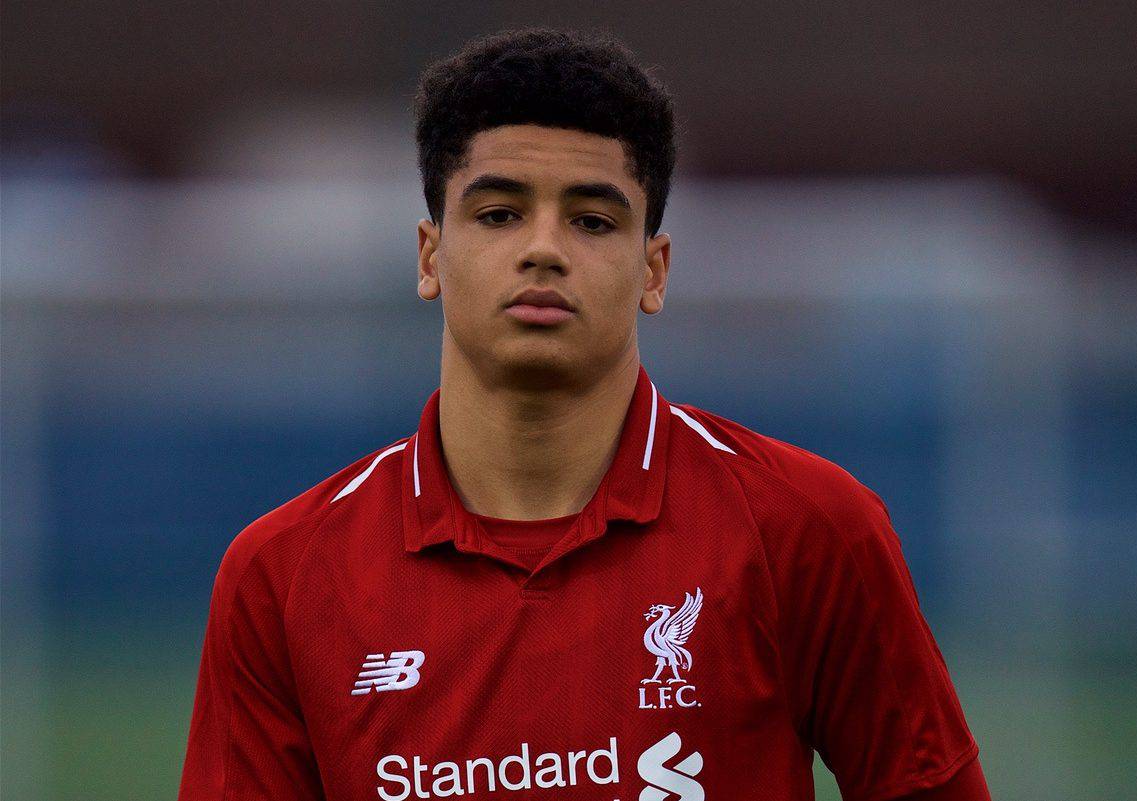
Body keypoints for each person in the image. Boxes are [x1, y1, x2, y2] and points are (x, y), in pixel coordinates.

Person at [178, 26, 991, 801]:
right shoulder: (283, 574)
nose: (543, 248)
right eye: (498, 213)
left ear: (653, 268)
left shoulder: (807, 528)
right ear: (431, 256)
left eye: (592, 220)